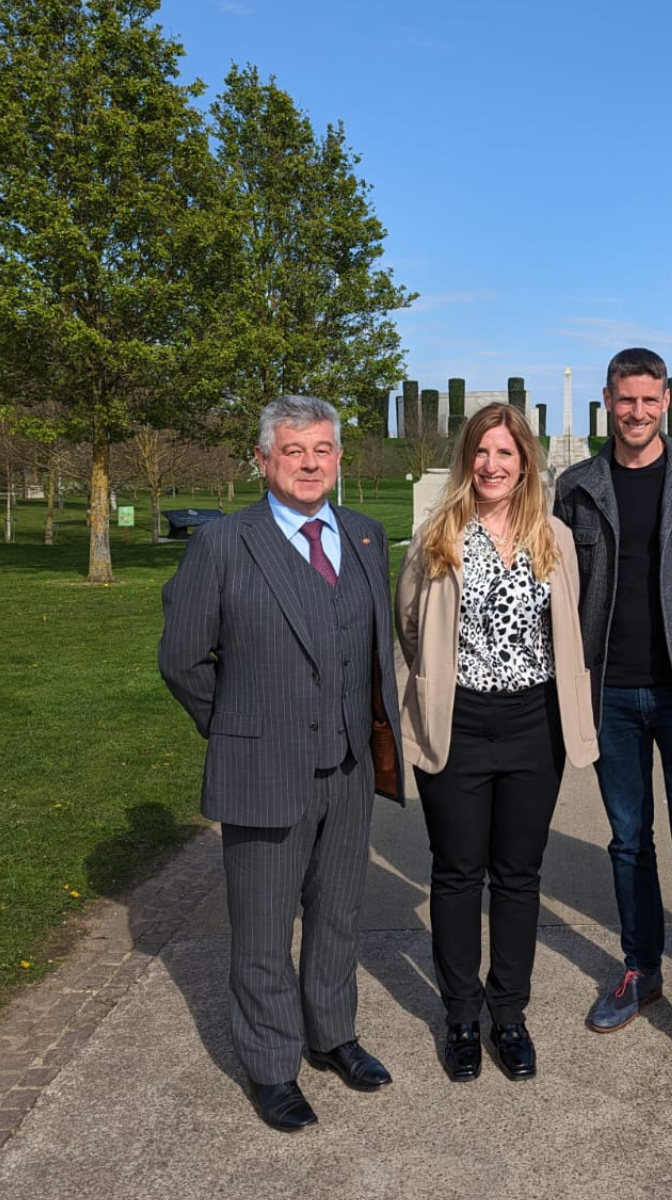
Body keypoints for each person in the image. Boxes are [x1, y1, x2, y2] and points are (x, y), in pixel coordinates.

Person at [159, 395, 403, 1133]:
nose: (308, 463)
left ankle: (332, 1035)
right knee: (263, 929)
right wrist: (237, 728)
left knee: (338, 913)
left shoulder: (363, 535)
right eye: (293, 450)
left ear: (338, 459)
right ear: (264, 460)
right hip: (264, 770)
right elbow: (181, 660)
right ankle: (271, 1063)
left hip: (350, 767)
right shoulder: (225, 544)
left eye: (322, 449)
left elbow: (367, 654)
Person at [554, 348, 672, 1090]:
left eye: (649, 399)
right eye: (624, 400)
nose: (636, 412)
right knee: (629, 844)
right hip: (613, 696)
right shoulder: (578, 487)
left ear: (667, 399)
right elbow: (566, 588)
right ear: (608, 400)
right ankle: (641, 971)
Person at [396, 403, 597, 1083]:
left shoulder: (555, 539)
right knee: (457, 872)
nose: (491, 465)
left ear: (525, 462)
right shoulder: (437, 535)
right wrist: (436, 682)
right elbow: (408, 622)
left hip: (533, 724)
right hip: (458, 722)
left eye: (504, 454)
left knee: (517, 874)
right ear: (467, 459)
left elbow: (571, 629)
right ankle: (459, 1016)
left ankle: (507, 1016)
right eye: (482, 452)